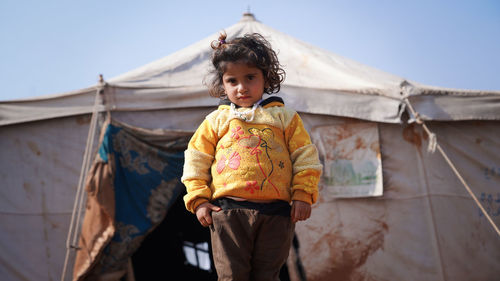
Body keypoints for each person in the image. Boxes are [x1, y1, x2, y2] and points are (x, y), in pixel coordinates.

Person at [181, 32, 322, 281]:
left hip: (277, 214)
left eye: (250, 78)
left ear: (265, 78)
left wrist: (303, 193)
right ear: (222, 84)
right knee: (232, 276)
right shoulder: (216, 121)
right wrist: (199, 199)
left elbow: (305, 157)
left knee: (267, 276)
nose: (241, 87)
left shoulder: (284, 117)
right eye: (232, 80)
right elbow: (196, 159)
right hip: (228, 212)